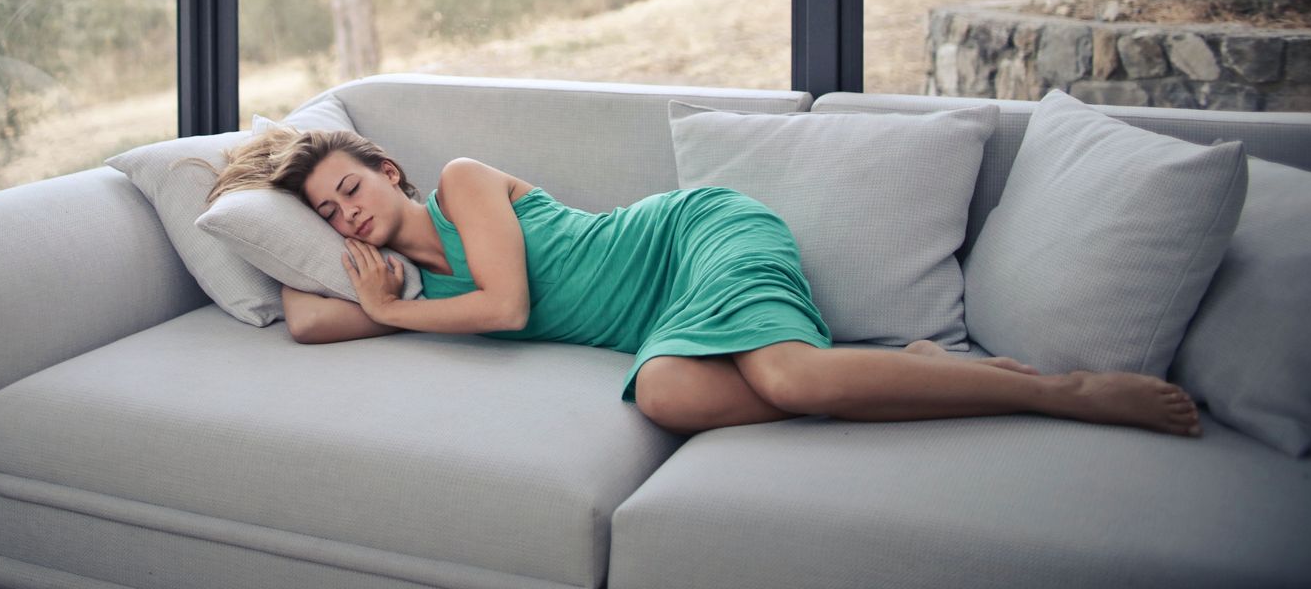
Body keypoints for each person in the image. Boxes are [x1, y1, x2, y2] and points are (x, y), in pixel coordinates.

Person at [202, 126, 1203, 438]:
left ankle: (1052, 391)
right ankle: (896, 365)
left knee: (792, 384)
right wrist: (280, 207)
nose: (347, 216)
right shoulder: (407, 294)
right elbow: (307, 321)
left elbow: (505, 306)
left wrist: (387, 310)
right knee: (672, 395)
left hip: (691, 237)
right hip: (665, 322)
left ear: (387, 167)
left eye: (347, 188)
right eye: (328, 214)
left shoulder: (464, 186)